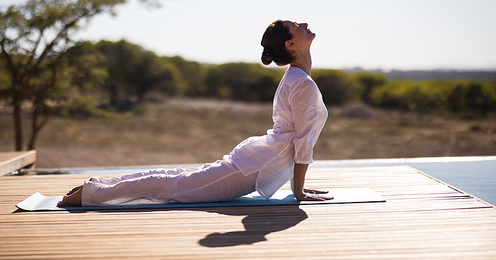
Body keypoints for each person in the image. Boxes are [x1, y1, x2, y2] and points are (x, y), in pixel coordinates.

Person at [58, 20, 333, 207]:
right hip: (256, 163)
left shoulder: (297, 78)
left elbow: (300, 139)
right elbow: (303, 142)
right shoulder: (301, 83)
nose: (304, 25)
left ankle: (97, 186)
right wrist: (298, 192)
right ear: (290, 45)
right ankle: (93, 193)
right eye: (297, 26)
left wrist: (298, 188)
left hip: (259, 158)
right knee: (172, 186)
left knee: (176, 178)